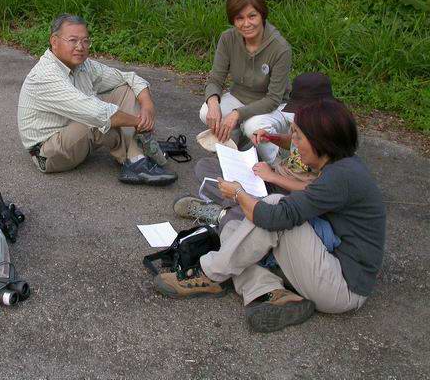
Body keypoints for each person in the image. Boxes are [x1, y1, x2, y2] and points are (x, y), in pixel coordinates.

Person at [154, 99, 386, 333]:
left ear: (320, 141)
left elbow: (276, 217)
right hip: (323, 263)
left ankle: (209, 274)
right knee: (234, 227)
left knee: (273, 206)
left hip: (343, 287)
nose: (294, 143)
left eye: (298, 137)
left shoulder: (341, 177)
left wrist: (238, 193)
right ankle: (271, 293)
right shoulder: (339, 166)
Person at [17, 14, 177, 185]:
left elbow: (128, 78)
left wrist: (148, 106)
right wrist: (141, 123)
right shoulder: (46, 75)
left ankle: (137, 149)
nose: (80, 47)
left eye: (85, 41)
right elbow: (96, 114)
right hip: (48, 153)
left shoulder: (82, 65)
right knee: (94, 119)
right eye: (73, 40)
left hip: (73, 135)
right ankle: (136, 159)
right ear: (54, 42)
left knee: (125, 89)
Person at [176, 72, 335, 222]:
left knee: (269, 211)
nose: (298, 113)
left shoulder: (331, 137)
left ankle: (224, 215)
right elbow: (293, 144)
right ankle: (238, 208)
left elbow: (315, 190)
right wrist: (272, 138)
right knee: (205, 166)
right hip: (272, 179)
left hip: (288, 195)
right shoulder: (305, 122)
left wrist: (272, 177)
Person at [200, 0, 292, 163]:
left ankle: (277, 162)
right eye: (239, 18)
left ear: (262, 15)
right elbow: (215, 80)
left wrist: (237, 114)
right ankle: (235, 151)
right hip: (240, 97)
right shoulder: (227, 39)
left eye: (252, 16)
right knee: (206, 112)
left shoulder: (280, 48)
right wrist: (213, 104)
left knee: (253, 127)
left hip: (274, 106)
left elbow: (273, 99)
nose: (246, 23)